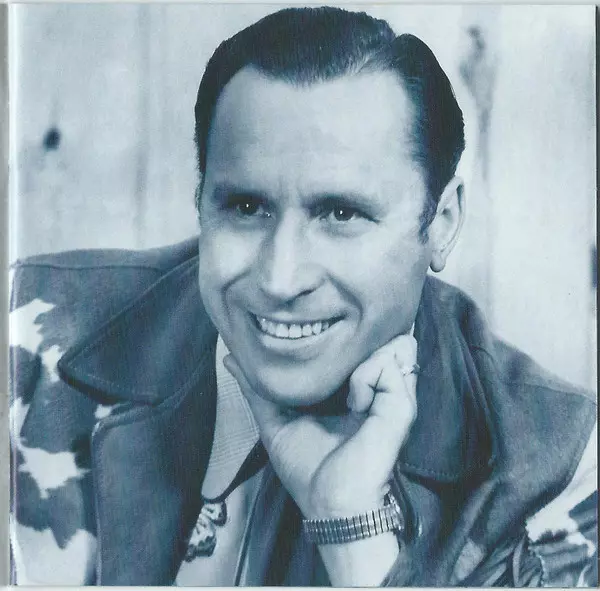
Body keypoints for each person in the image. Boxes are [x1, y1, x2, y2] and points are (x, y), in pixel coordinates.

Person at [9, 6, 597, 587]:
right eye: (247, 207)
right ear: (201, 200)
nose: (280, 278)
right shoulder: (23, 337)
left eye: (341, 213)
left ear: (441, 223)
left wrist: (353, 530)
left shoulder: (561, 466)